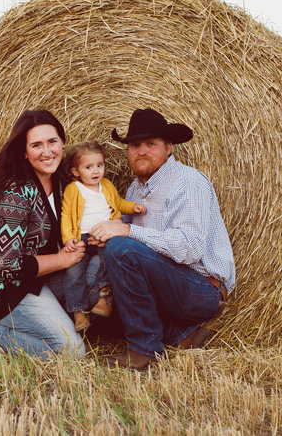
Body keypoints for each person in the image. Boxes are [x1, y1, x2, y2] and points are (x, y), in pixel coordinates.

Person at [87, 108, 235, 371]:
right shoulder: (134, 190)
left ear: (168, 147)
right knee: (98, 314)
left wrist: (126, 232)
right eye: (135, 145)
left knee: (122, 248)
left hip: (200, 289)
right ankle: (181, 334)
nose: (141, 151)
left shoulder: (188, 182)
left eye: (150, 144)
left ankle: (145, 350)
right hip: (165, 286)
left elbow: (189, 248)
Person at [0, 110, 87, 360]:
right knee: (72, 351)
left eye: (52, 142)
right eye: (36, 145)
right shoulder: (17, 192)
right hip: (3, 288)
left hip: (37, 277)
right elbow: (6, 264)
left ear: (62, 143)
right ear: (24, 152)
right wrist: (62, 260)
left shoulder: (60, 182)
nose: (47, 151)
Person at [59, 142, 146, 332]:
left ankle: (104, 298)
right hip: (81, 236)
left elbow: (119, 203)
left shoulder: (106, 185)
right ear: (76, 171)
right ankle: (79, 312)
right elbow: (65, 215)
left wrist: (132, 207)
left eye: (99, 165)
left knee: (110, 261)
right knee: (74, 272)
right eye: (88, 167)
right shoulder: (73, 190)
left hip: (105, 234)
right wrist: (68, 239)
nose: (95, 171)